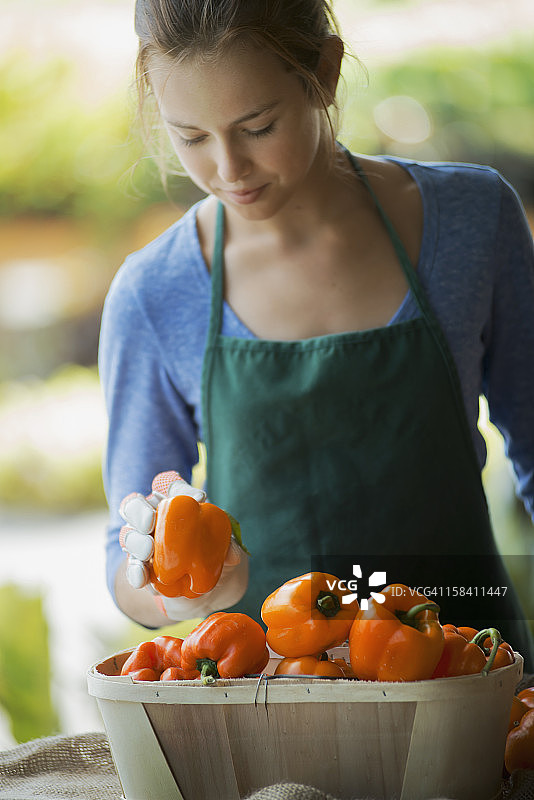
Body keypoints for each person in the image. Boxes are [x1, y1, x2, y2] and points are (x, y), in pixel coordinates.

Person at [98, 0, 534, 667]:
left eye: (258, 125)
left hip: (470, 678)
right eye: (190, 137)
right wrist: (179, 598)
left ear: (324, 73)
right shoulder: (154, 293)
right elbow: (124, 552)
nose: (229, 169)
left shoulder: (475, 222)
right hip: (268, 691)